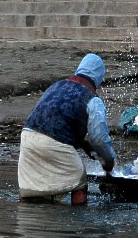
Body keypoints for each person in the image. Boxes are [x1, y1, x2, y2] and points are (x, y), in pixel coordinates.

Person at [18, 53, 117, 205]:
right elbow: (99, 139)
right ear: (98, 78)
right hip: (54, 143)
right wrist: (108, 160)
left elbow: (55, 119)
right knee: (78, 181)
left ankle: (27, 214)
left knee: (31, 187)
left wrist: (83, 144)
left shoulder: (56, 86)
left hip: (28, 138)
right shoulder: (93, 100)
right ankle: (77, 217)